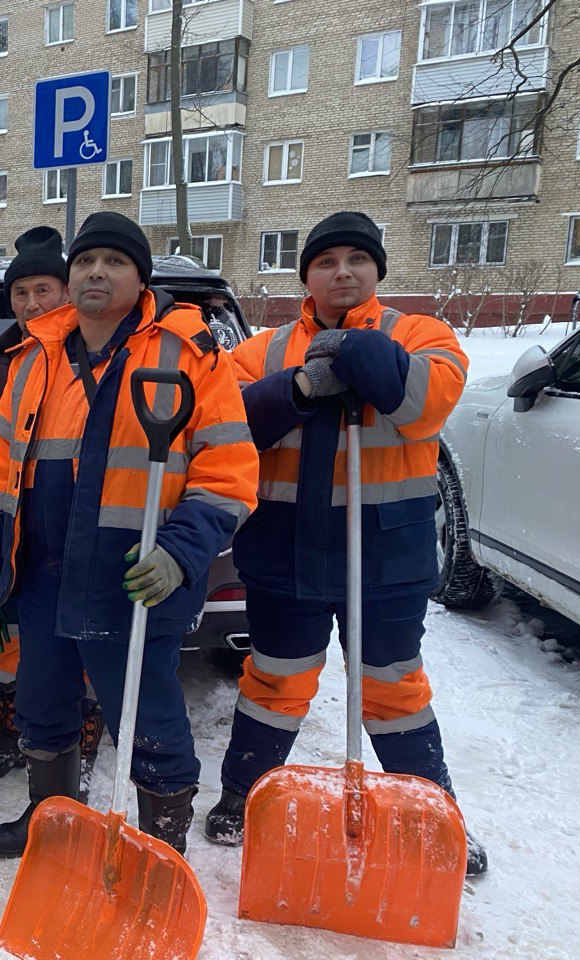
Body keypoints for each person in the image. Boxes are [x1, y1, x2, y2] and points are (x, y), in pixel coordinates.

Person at [0, 212, 259, 859]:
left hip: (131, 577)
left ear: (141, 279)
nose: (97, 272)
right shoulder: (36, 357)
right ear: (71, 279)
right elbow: (1, 461)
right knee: (42, 705)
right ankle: (52, 817)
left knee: (147, 718)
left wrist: (181, 554)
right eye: (85, 262)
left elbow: (230, 471)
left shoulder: (188, 352)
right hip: (42, 574)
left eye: (115, 262)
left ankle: (161, 845)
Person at [201, 210, 488, 877]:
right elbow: (228, 418)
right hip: (286, 550)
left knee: (392, 686)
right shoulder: (266, 349)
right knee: (274, 679)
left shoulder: (419, 334)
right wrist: (299, 386)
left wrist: (364, 353)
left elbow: (427, 403)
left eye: (356, 260)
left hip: (384, 554)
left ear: (377, 270)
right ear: (307, 275)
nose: (342, 273)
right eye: (326, 262)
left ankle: (433, 815)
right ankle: (243, 796)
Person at [0, 226, 104, 795]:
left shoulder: (98, 351)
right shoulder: (5, 357)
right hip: (17, 526)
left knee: (83, 641)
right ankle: (18, 727)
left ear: (67, 289)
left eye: (43, 289)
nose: (31, 304)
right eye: (20, 293)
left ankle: (85, 735)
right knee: (15, 638)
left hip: (82, 527)